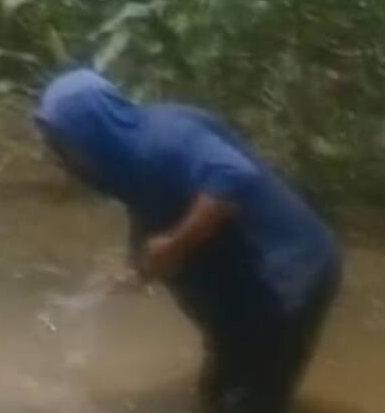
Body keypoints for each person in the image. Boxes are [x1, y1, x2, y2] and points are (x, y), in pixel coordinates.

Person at [34, 69, 342, 413]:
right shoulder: (125, 160)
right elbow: (157, 208)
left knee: (252, 399)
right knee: (215, 393)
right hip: (245, 287)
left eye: (60, 142)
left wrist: (174, 245)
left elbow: (232, 179)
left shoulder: (167, 136)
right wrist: (137, 270)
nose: (58, 155)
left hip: (288, 277)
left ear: (90, 129)